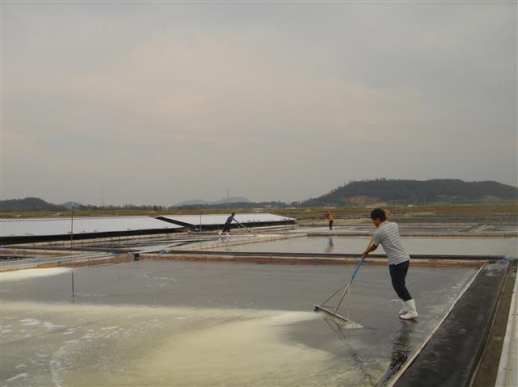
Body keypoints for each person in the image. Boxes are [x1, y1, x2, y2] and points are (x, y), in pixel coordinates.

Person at [362, 208, 418, 320]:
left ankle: (413, 312)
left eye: (373, 220)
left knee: (399, 287)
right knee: (400, 285)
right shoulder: (394, 225)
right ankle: (406, 307)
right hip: (405, 260)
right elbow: (387, 218)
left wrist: (366, 252)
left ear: (377, 219)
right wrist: (383, 213)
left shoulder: (378, 233)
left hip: (396, 262)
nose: (373, 223)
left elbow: (374, 246)